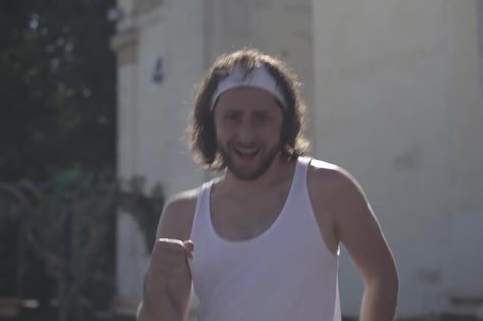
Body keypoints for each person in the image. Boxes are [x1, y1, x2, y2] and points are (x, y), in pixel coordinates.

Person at [136, 49, 399, 321]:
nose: (246, 134)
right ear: (211, 124)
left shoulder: (328, 189)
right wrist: (152, 287)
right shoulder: (183, 214)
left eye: (261, 118)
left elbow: (382, 277)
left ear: (284, 123)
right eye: (232, 117)